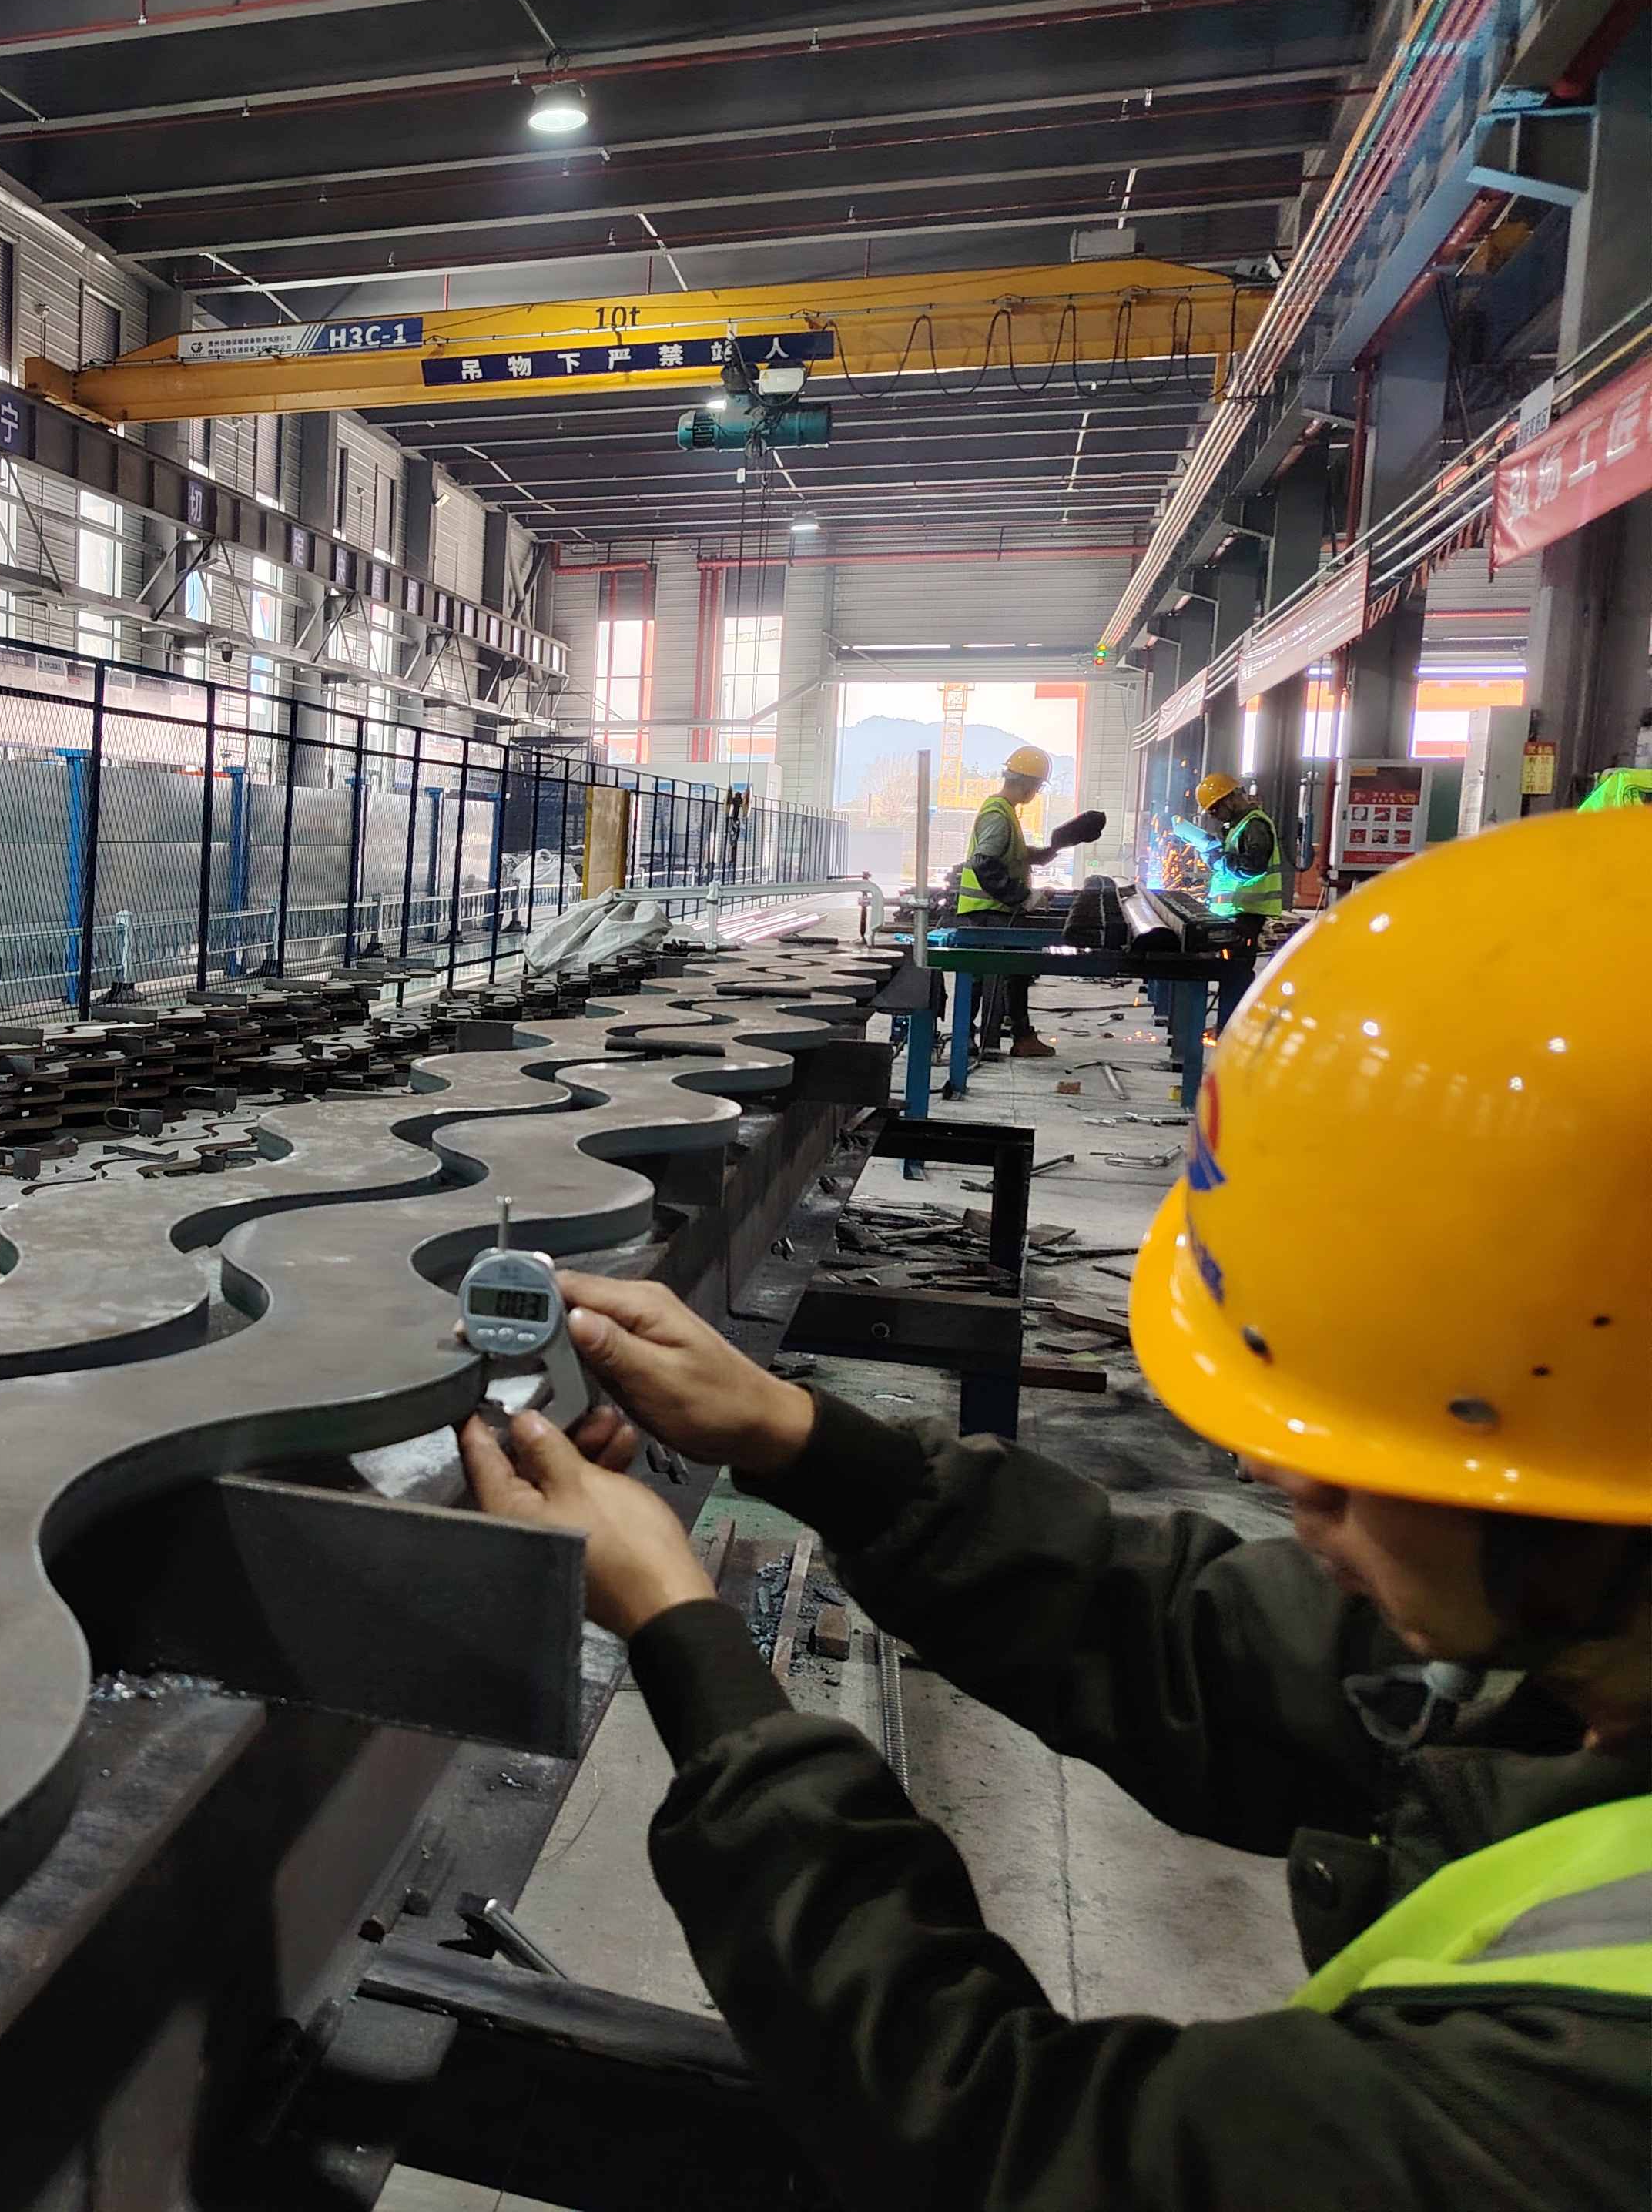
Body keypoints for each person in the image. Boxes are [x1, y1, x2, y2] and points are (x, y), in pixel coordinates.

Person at [462, 806, 1652, 2210]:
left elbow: (1008, 2143)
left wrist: (681, 1637)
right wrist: (802, 1439)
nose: (1278, 1481)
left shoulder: (1580, 2096)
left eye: (1352, 1454)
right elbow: (1200, 1649)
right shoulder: (1578, 1657)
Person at [957, 743, 1060, 1059]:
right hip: (990, 912)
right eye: (1037, 786)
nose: (1036, 793)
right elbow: (984, 861)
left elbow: (1006, 853)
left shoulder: (1003, 811)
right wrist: (1023, 897)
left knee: (1007, 975)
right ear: (1026, 783)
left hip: (991, 911)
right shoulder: (998, 815)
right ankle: (977, 1040)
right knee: (991, 977)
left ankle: (1002, 1037)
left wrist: (1041, 854)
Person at [1184, 770, 1288, 1019]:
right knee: (1231, 972)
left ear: (1230, 799)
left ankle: (1230, 1028)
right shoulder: (1239, 826)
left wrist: (1218, 860)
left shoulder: (1255, 826)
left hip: (1246, 914)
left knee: (1236, 974)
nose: (1214, 816)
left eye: (1214, 809)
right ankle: (1226, 1027)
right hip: (1236, 913)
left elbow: (1253, 868)